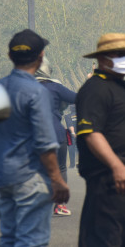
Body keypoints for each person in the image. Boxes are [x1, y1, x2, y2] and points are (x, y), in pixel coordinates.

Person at [0, 29, 70, 247]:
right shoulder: (36, 91)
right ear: (41, 57)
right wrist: (57, 180)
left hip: (0, 178)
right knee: (31, 240)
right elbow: (44, 142)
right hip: (29, 179)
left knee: (9, 237)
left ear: (10, 56)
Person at [76, 32, 125, 247]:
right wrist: (117, 166)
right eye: (120, 54)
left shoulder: (119, 88)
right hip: (110, 182)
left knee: (121, 241)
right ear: (102, 59)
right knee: (104, 240)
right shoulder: (96, 88)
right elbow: (91, 133)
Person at [35, 56, 77, 216]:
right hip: (57, 134)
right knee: (61, 168)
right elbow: (77, 98)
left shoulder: (25, 87)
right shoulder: (55, 87)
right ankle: (59, 205)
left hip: (35, 136)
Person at [63, 104, 77, 169]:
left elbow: (70, 125)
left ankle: (72, 165)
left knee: (71, 150)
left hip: (72, 135)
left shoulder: (68, 116)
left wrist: (73, 133)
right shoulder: (81, 114)